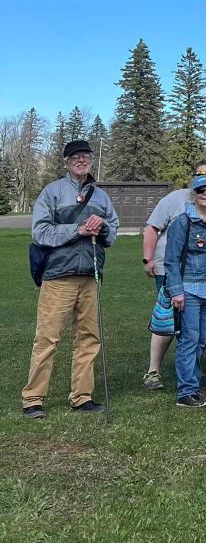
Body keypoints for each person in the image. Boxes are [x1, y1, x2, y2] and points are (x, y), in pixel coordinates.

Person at [22, 140, 119, 419]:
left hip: (90, 275)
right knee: (47, 338)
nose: (81, 161)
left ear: (91, 160)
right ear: (66, 162)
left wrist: (100, 229)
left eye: (85, 156)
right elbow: (40, 232)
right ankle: (33, 399)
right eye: (75, 157)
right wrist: (77, 230)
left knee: (89, 338)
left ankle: (82, 396)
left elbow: (112, 234)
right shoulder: (52, 192)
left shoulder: (101, 197)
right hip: (58, 275)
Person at [141, 160, 206, 391]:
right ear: (194, 182)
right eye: (201, 183)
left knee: (196, 335)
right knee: (170, 324)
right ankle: (156, 372)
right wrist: (148, 259)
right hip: (176, 276)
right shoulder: (175, 203)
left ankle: (192, 374)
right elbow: (153, 229)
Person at [163, 175, 206, 408]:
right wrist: (176, 291)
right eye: (201, 191)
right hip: (188, 288)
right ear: (194, 194)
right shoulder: (183, 222)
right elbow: (171, 259)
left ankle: (194, 385)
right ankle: (185, 391)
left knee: (200, 341)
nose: (205, 194)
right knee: (189, 339)